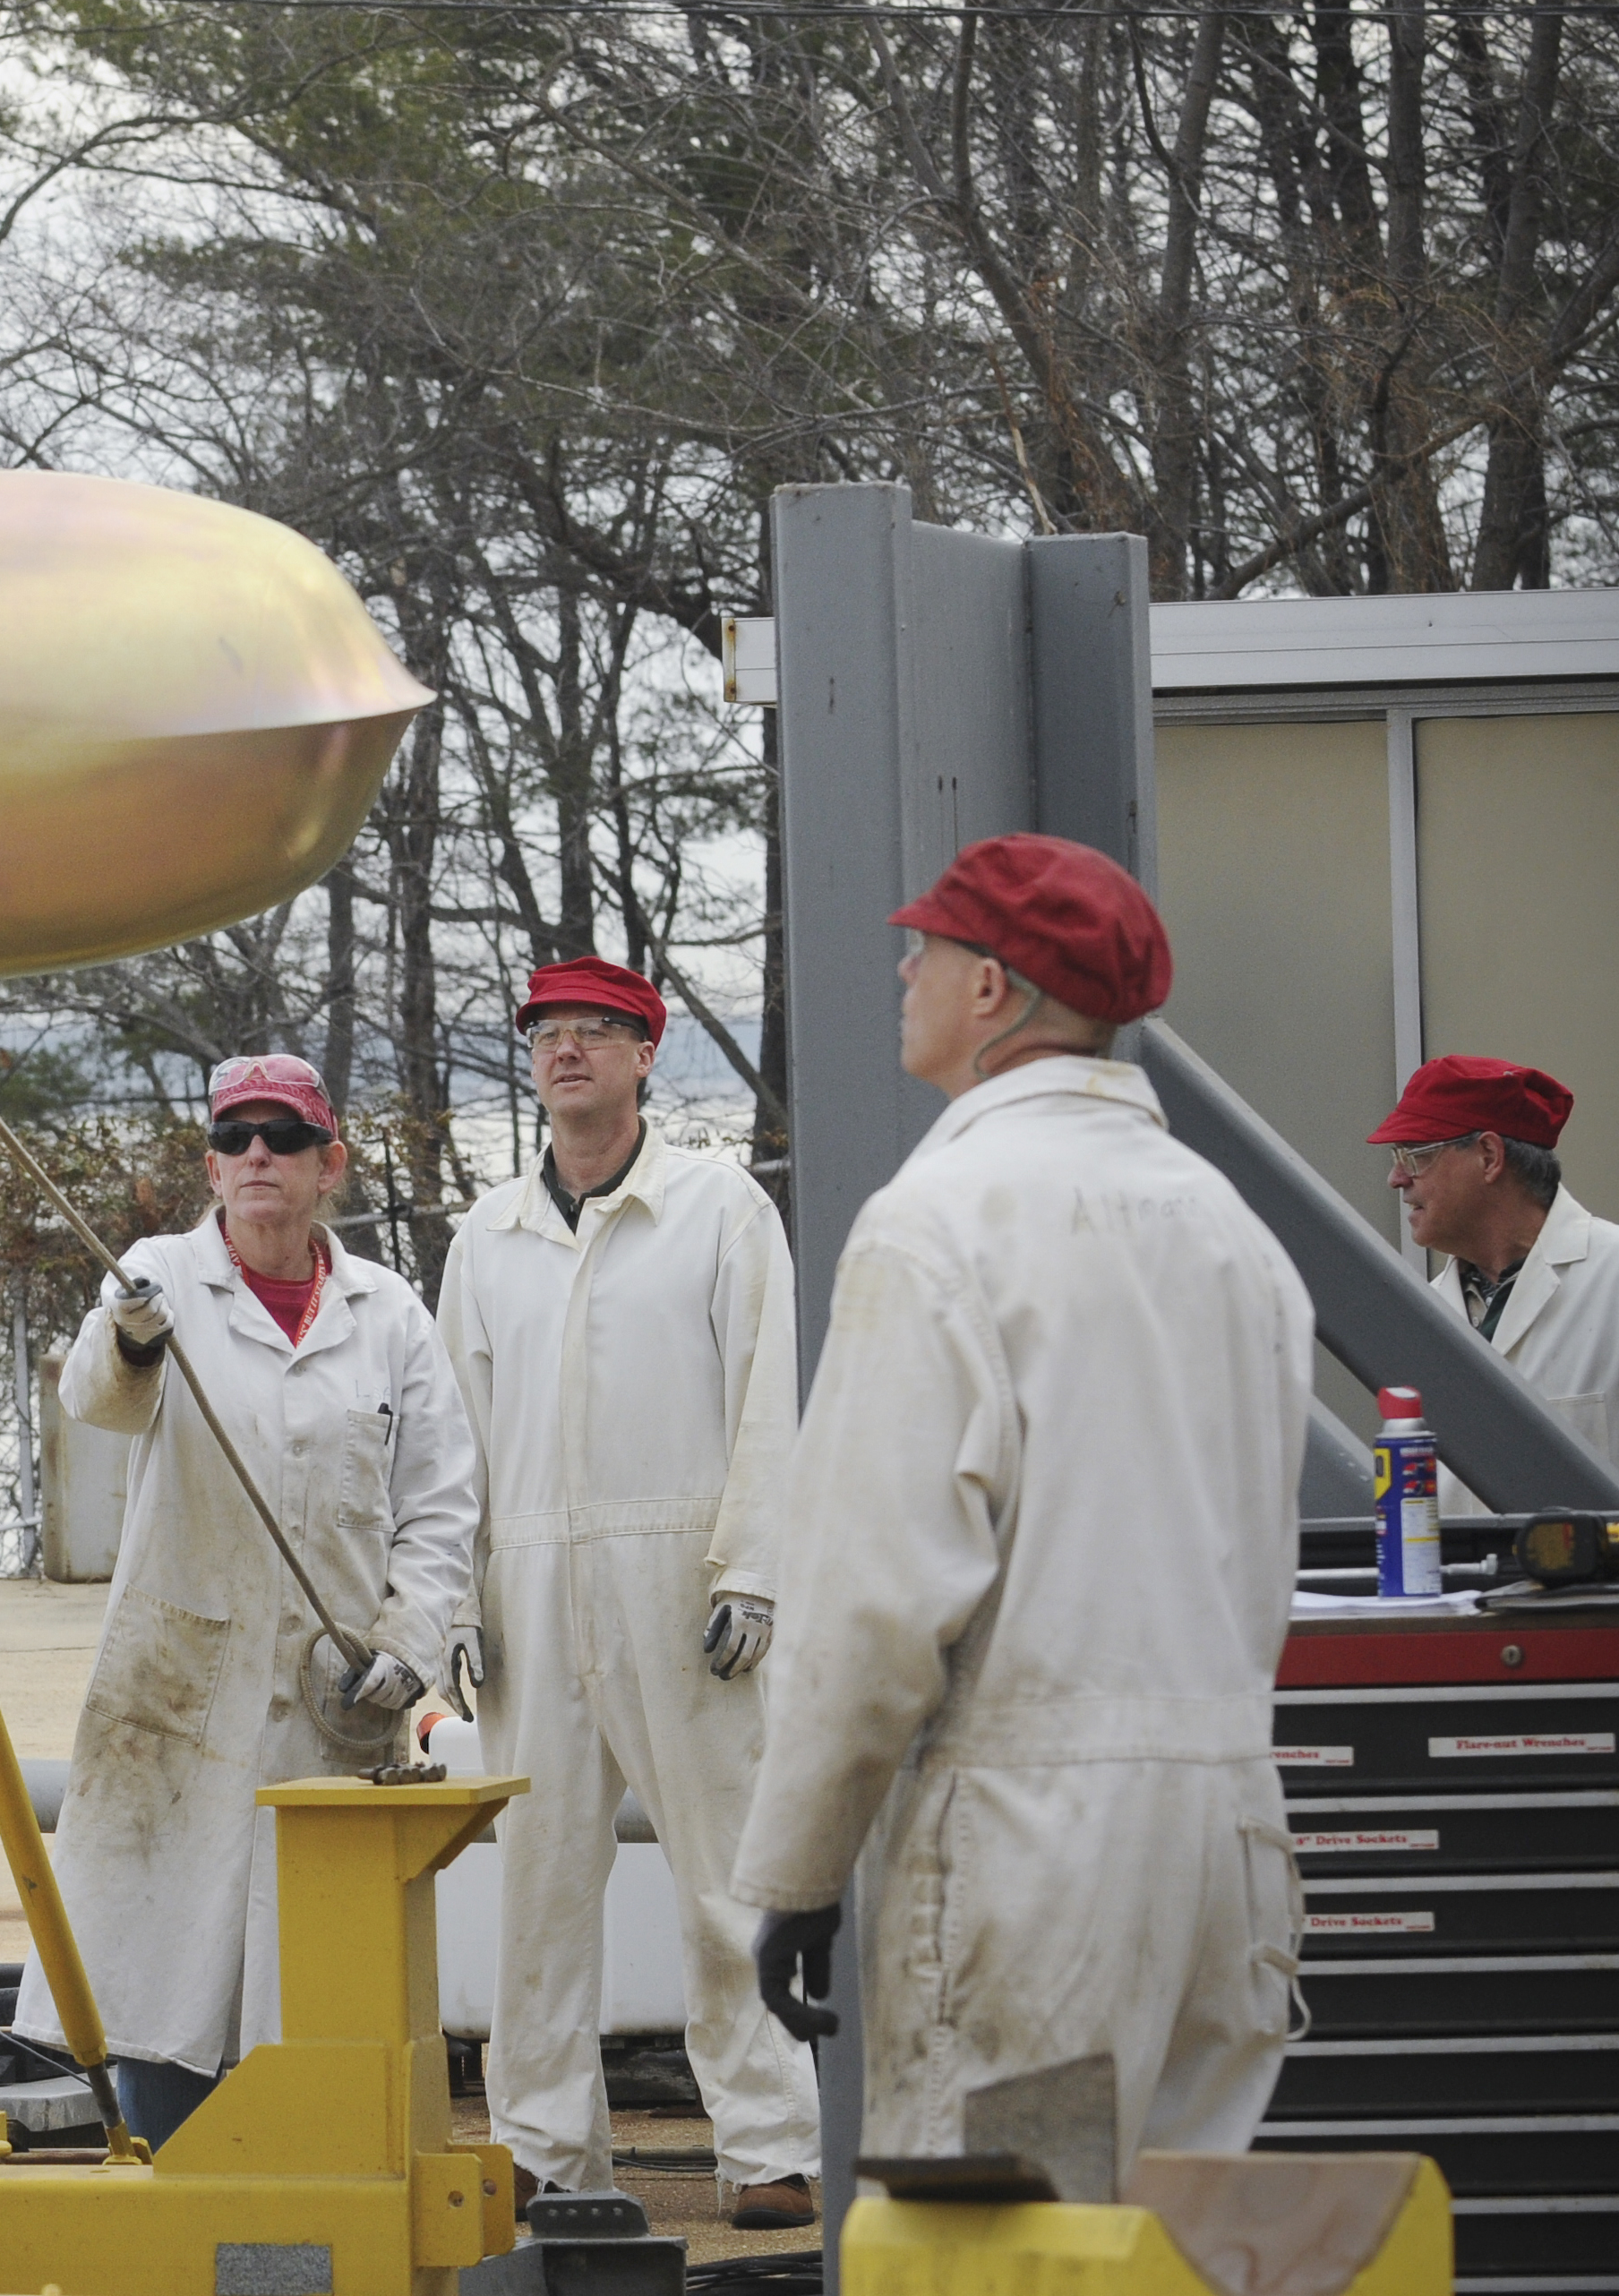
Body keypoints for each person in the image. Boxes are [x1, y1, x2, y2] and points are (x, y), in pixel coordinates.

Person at [735, 833, 1314, 2175]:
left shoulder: (940, 1222)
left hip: (1040, 1869)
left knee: (1013, 2252)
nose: (902, 967)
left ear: (991, 989)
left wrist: (797, 1875)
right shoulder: (1230, 1233)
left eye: (925, 948)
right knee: (1171, 2252)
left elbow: (868, 1606)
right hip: (1227, 1853)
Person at [15, 1051, 481, 2152]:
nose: (256, 1153)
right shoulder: (157, 1275)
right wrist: (129, 1338)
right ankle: (179, 2197)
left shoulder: (391, 1315)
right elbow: (100, 1401)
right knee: (164, 1983)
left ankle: (311, 2213)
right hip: (174, 1696)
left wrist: (407, 1643)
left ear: (333, 1165)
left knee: (316, 1993)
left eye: (281, 1134)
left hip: (337, 1713)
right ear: (214, 1169)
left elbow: (444, 1502)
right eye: (234, 1138)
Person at [441, 957, 819, 2232]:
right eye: (547, 1032)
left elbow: (770, 1398)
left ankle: (767, 2144)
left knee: (728, 1877)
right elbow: (456, 1444)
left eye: (597, 1032)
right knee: (538, 1883)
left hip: (682, 1582)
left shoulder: (714, 1211)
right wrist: (453, 1595)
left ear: (647, 1055)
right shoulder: (488, 1237)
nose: (567, 1052)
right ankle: (547, 2150)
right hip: (531, 1584)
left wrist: (752, 1569)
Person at [1371, 1055, 1612, 1516]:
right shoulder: (1426, 1310)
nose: (1396, 1178)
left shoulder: (1612, 1279)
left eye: (1414, 1154)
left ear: (1488, 1156)